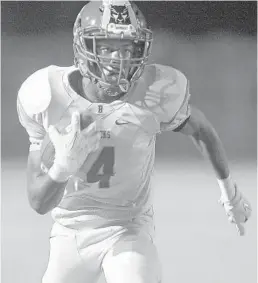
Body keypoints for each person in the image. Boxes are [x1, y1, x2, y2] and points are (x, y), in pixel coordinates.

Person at [17, 1, 252, 283]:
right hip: (70, 231)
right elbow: (38, 201)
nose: (119, 59)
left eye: (127, 48)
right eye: (107, 47)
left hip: (127, 226)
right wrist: (62, 168)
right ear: (84, 49)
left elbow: (202, 129)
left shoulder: (154, 91)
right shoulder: (48, 95)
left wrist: (230, 192)